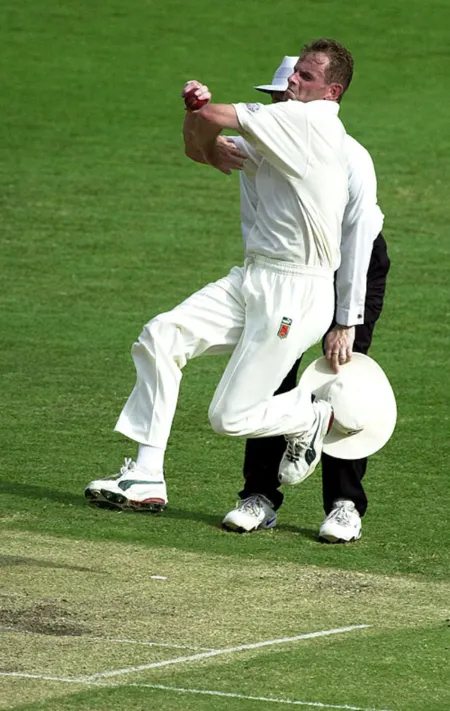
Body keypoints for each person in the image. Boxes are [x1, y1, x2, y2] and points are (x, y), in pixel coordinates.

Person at [85, 38, 356, 511]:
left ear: (331, 93)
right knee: (161, 336)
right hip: (254, 277)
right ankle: (147, 474)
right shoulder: (284, 128)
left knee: (228, 418)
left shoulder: (309, 123)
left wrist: (201, 108)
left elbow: (210, 123)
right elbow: (198, 145)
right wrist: (206, 137)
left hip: (297, 291)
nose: (292, 80)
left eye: (306, 77)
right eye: (295, 73)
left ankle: (308, 416)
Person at [217, 56, 390, 542]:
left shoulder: (350, 156)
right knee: (269, 371)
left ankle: (344, 505)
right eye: (273, 102)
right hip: (288, 272)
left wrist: (345, 319)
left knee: (341, 375)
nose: (279, 113)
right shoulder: (261, 156)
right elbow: (257, 226)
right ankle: (259, 496)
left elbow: (357, 241)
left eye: (286, 100)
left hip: (351, 267)